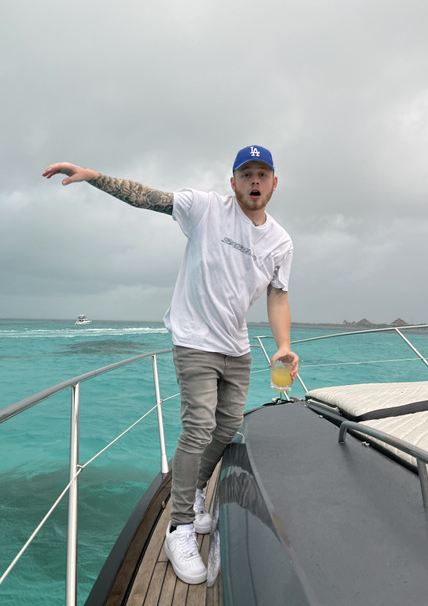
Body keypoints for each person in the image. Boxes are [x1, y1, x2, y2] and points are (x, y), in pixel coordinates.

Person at [43, 144, 299, 585]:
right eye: (246, 174)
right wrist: (94, 176)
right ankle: (178, 528)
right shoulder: (205, 209)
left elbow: (278, 294)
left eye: (262, 174)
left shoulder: (280, 241)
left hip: (236, 346)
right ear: (233, 181)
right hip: (194, 339)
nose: (254, 181)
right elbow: (148, 197)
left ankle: (195, 491)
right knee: (198, 426)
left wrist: (283, 345)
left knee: (227, 424)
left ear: (274, 183)